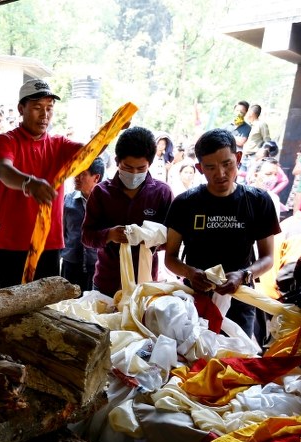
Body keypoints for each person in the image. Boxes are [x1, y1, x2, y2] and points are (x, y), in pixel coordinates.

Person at [163, 128, 280, 341]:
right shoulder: (185, 203)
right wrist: (191, 273)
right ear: (199, 168)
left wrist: (245, 274)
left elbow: (268, 257)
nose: (221, 174)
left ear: (238, 158)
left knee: (235, 364)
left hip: (240, 298)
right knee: (193, 362)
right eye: (210, 167)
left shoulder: (258, 201)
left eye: (227, 164)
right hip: (195, 299)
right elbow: (170, 258)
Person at [0, 78, 81, 288]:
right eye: (37, 108)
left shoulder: (59, 144)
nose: (45, 115)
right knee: (10, 312)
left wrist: (113, 130)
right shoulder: (7, 140)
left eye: (49, 108)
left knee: (46, 311)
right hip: (12, 246)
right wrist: (29, 183)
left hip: (49, 246)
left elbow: (90, 151)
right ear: (21, 109)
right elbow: (4, 170)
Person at [82, 127, 173, 297]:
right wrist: (109, 235)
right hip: (107, 282)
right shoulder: (101, 192)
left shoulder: (162, 193)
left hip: (145, 285)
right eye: (128, 167)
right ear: (117, 161)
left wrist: (147, 237)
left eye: (141, 168)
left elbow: (170, 240)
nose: (134, 174)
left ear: (150, 164)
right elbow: (86, 236)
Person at [61, 158, 104, 293]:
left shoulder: (106, 203)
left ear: (96, 177)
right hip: (70, 265)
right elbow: (61, 232)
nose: (76, 178)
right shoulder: (67, 200)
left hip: (96, 266)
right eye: (76, 173)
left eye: (82, 174)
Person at [239, 104, 269, 180]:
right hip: (244, 155)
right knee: (240, 179)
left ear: (252, 113)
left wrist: (262, 154)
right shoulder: (247, 125)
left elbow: (267, 140)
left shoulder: (261, 124)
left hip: (254, 157)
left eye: (248, 111)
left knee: (250, 179)